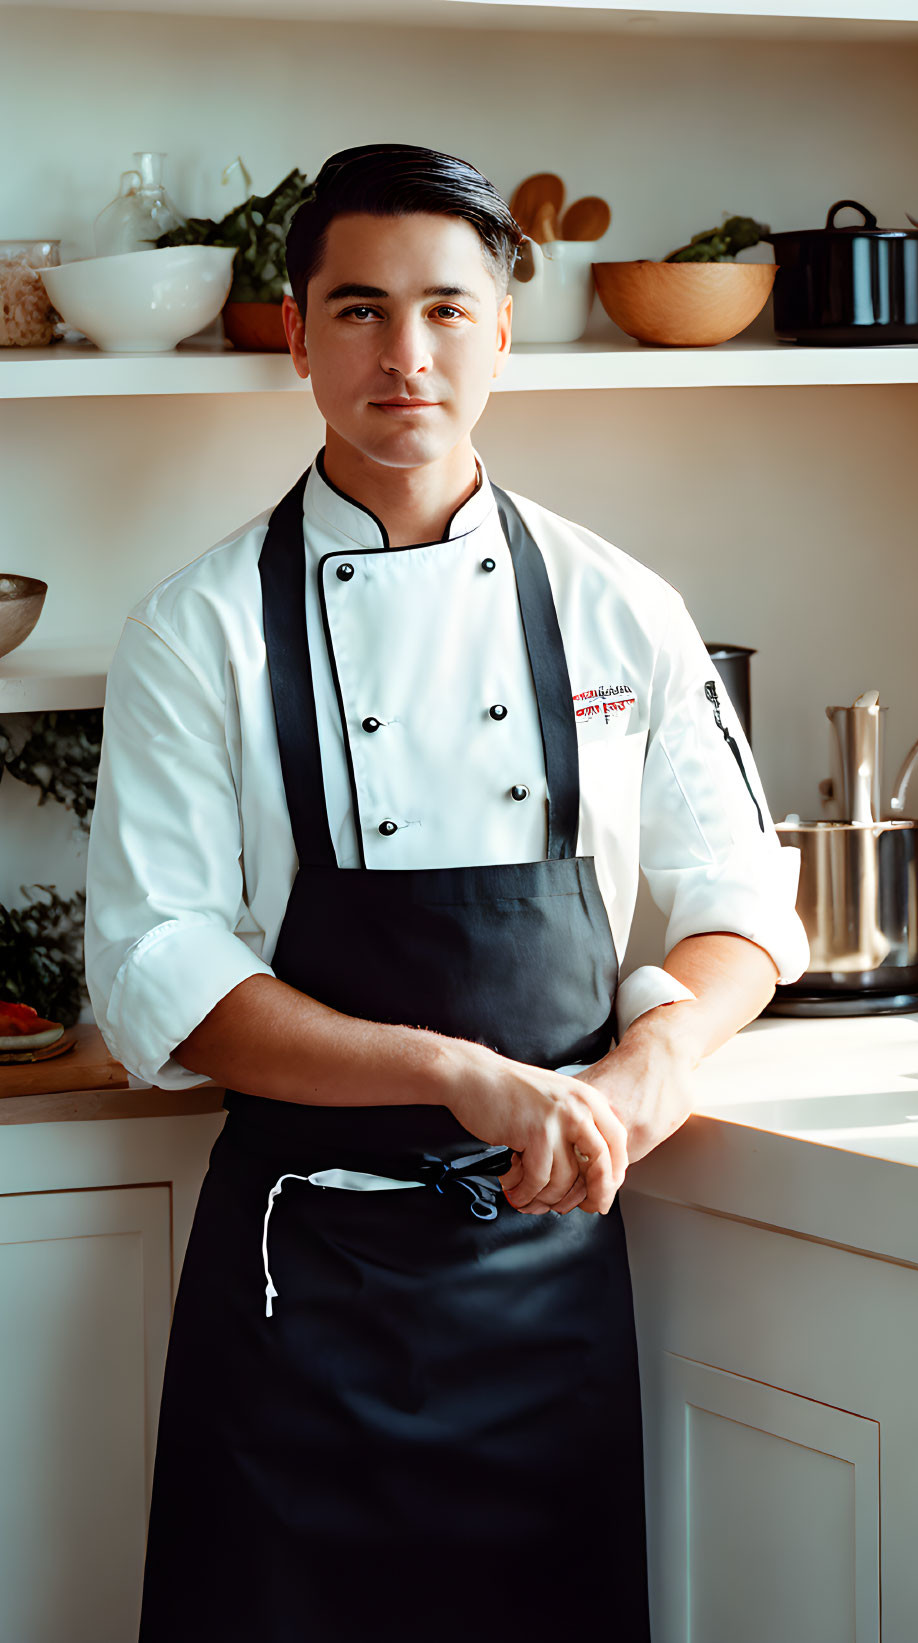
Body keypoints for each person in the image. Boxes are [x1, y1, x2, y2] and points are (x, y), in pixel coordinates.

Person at [84, 141, 809, 1643]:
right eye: (355, 309)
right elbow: (166, 973)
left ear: (502, 329)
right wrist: (458, 1075)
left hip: (545, 1270)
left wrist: (648, 1067)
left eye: (444, 310)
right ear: (293, 335)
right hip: (304, 1281)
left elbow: (739, 895)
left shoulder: (621, 604)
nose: (402, 356)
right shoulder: (197, 629)